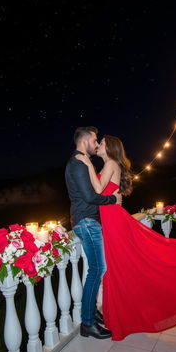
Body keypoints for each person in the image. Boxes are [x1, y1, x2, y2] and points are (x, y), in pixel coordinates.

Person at [76, 134, 176, 341]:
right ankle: (120, 315)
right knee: (118, 269)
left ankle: (121, 318)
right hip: (110, 221)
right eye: (97, 143)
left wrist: (87, 164)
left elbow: (98, 190)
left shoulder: (110, 163)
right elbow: (99, 192)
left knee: (119, 268)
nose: (98, 145)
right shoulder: (109, 164)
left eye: (102, 143)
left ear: (110, 148)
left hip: (114, 222)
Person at [65, 126, 122, 340]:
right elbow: (91, 196)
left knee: (96, 268)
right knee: (97, 269)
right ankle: (87, 322)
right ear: (86, 140)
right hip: (87, 222)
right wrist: (112, 200)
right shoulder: (79, 162)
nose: (97, 143)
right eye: (95, 139)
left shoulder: (80, 162)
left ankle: (92, 314)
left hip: (88, 221)